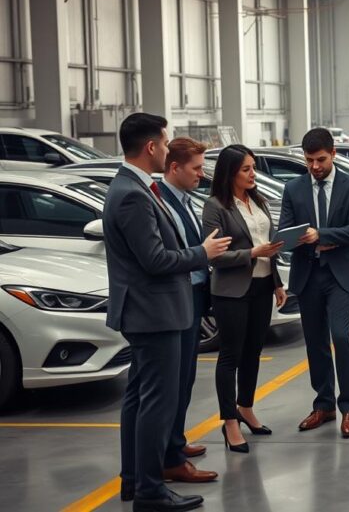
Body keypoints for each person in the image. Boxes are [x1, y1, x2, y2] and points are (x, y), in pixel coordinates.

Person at [103, 113, 230, 512]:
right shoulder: (132, 194)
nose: (167, 145)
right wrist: (201, 254)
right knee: (155, 403)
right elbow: (155, 260)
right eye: (165, 140)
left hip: (149, 311)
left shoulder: (138, 188)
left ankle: (134, 482)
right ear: (152, 147)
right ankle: (151, 492)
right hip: (153, 313)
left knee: (140, 400)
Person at [279, 128, 349, 437]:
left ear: (333, 154)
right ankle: (324, 405)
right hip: (308, 273)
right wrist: (303, 240)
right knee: (315, 342)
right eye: (309, 161)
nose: (315, 167)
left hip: (340, 274)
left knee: (341, 338)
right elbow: (285, 232)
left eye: (320, 160)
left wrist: (322, 235)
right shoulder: (293, 189)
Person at [202, 145, 286, 453]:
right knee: (230, 356)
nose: (253, 174)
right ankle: (230, 422)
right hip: (231, 291)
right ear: (230, 173)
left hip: (263, 286)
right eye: (246, 169)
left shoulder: (258, 200)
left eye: (253, 168)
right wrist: (252, 253)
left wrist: (277, 282)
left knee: (253, 352)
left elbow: (268, 245)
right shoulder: (215, 206)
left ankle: (246, 407)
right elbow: (216, 257)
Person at [156, 137, 218, 484]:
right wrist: (203, 253)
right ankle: (169, 457)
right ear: (174, 168)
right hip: (175, 296)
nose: (201, 174)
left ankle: (176, 443)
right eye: (196, 168)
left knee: (186, 376)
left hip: (192, 294)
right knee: (173, 380)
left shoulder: (184, 200)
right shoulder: (160, 201)